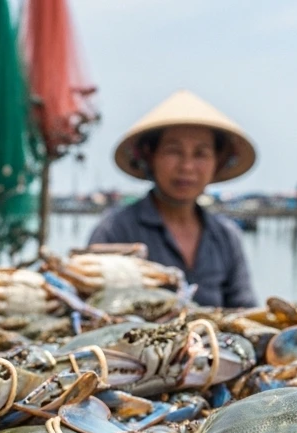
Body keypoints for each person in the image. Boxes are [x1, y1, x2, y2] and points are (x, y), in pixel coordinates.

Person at [88, 90, 258, 308]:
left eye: (200, 154)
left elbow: (244, 310)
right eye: (173, 151)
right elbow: (90, 308)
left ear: (217, 161)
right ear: (150, 156)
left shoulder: (226, 237)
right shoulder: (115, 231)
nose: (187, 167)